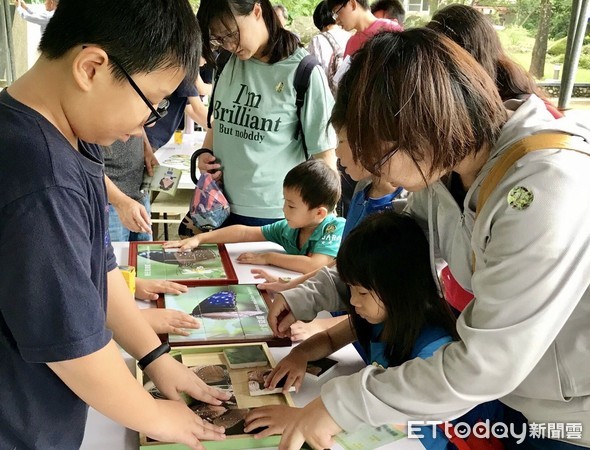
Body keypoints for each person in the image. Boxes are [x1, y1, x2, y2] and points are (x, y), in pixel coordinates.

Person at [266, 28, 590, 449]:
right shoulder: (448, 172)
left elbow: (486, 364)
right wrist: (308, 295)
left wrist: (340, 405)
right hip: (516, 394)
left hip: (569, 416)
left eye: (377, 161)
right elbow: (390, 252)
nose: (374, 177)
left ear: (416, 132)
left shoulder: (544, 189)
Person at [0, 1, 233, 448]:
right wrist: (155, 417)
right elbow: (73, 348)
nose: (143, 125)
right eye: (152, 104)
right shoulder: (41, 178)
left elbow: (100, 273)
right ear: (91, 67)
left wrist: (156, 357)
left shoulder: (73, 136)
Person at [244, 210, 503, 449]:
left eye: (362, 292)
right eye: (350, 289)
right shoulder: (380, 317)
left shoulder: (434, 348)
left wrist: (307, 417)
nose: (352, 301)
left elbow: (395, 421)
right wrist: (299, 356)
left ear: (398, 289)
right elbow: (331, 337)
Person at [196, 0, 337, 227]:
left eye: (231, 34)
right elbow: (218, 121)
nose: (230, 45)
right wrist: (205, 153)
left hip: (275, 215)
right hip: (217, 205)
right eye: (219, 39)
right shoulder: (225, 62)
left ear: (257, 10)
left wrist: (326, 226)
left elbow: (325, 156)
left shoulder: (304, 72)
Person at [165, 160, 344, 274]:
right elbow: (244, 233)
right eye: (284, 202)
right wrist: (200, 238)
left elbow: (315, 265)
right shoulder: (288, 229)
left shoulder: (334, 227)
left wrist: (269, 257)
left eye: (291, 206)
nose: (284, 210)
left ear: (319, 213)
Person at [102, 134, 156, 241]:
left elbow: (138, 122)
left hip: (138, 191)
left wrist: (146, 146)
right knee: (115, 256)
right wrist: (120, 201)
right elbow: (87, 166)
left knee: (143, 254)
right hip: (109, 202)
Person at [327, 0, 402, 58]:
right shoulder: (351, 43)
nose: (336, 21)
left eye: (337, 12)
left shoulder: (390, 28)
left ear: (352, 4)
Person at [307, 0, 351, 92]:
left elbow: (312, 71)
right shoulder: (349, 36)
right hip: (346, 92)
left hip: (327, 94)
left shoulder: (317, 40)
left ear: (318, 19)